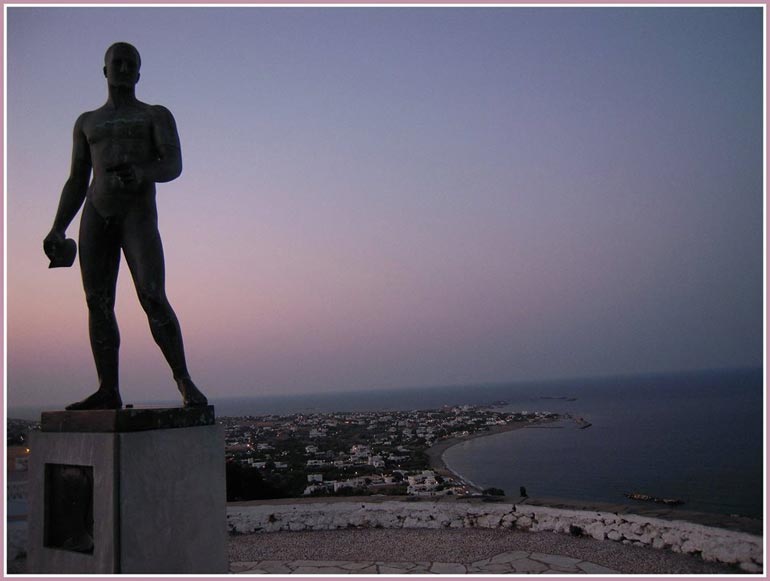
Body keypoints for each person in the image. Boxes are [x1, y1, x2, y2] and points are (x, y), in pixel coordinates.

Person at [43, 42, 208, 410]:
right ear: (105, 70)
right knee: (97, 301)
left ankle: (184, 381)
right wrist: (58, 227)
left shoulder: (155, 115)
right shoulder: (87, 122)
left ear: (138, 73)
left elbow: (173, 164)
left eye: (130, 63)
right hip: (96, 212)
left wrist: (142, 172)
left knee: (152, 294)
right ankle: (108, 389)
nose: (122, 68)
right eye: (116, 62)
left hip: (138, 214)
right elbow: (77, 179)